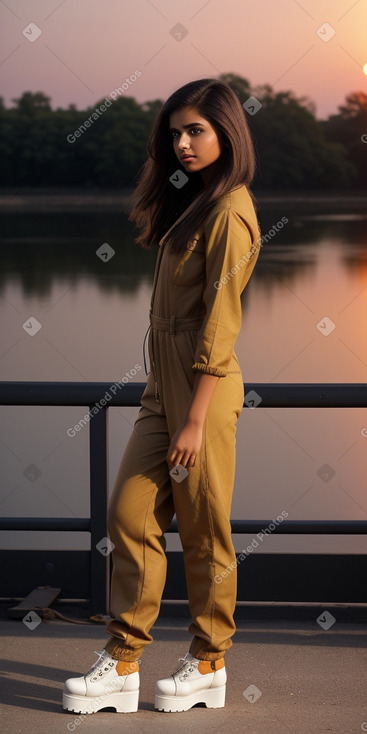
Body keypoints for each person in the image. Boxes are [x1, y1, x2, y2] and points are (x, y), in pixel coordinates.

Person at [63, 77, 261, 715]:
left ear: (227, 132)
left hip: (206, 387)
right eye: (175, 132)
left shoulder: (232, 210)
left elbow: (220, 322)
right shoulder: (194, 203)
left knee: (205, 530)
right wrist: (167, 399)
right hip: (161, 387)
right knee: (129, 512)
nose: (182, 142)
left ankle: (209, 660)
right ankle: (122, 662)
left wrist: (195, 418)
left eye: (195, 130)